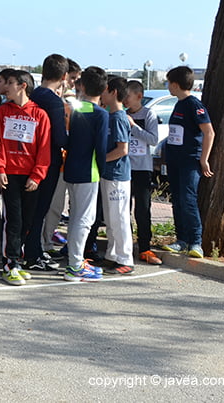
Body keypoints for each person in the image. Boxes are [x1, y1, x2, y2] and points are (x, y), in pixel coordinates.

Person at [0, 69, 50, 286]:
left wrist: (37, 175)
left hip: (31, 176)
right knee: (12, 220)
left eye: (10, 83)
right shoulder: (3, 111)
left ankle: (19, 259)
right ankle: (10, 264)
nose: (5, 87)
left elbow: (44, 148)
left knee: (27, 220)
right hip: (9, 175)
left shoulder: (40, 114)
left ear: (22, 85)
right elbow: (0, 143)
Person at [61, 66, 109, 282]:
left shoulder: (77, 109)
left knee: (75, 219)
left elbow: (67, 139)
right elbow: (101, 147)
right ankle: (75, 266)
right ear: (105, 88)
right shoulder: (101, 114)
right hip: (89, 172)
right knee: (84, 220)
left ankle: (75, 261)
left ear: (82, 85)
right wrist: (104, 170)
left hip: (71, 168)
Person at [163, 66, 213, 259]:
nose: (167, 86)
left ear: (175, 84)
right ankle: (181, 239)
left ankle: (196, 242)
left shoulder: (193, 104)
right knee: (176, 199)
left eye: (168, 83)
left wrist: (204, 160)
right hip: (174, 160)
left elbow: (209, 132)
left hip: (190, 161)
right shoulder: (178, 104)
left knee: (188, 199)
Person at [26, 54, 69, 271]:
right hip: (47, 162)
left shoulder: (32, 95)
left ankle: (27, 250)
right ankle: (33, 253)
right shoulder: (54, 101)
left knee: (29, 210)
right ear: (64, 76)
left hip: (27, 158)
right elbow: (60, 138)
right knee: (40, 210)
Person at [124, 80, 162, 265]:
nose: (125, 100)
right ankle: (126, 245)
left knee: (143, 210)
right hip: (126, 168)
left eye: (128, 96)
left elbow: (153, 139)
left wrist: (134, 127)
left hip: (143, 169)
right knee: (124, 210)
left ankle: (145, 247)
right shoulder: (122, 115)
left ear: (139, 96)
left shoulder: (149, 114)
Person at [99, 76, 134, 274]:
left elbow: (122, 149)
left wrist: (101, 160)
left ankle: (125, 258)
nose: (102, 94)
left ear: (113, 92)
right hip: (108, 174)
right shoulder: (110, 116)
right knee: (111, 218)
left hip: (118, 175)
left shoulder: (119, 117)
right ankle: (112, 255)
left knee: (119, 217)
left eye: (104, 90)